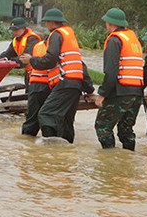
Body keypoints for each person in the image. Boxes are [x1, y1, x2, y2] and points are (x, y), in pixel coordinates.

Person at [19, 8, 93, 143]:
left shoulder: (56, 35)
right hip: (76, 84)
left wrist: (32, 60)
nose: (46, 25)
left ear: (52, 22)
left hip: (64, 82)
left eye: (46, 22)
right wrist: (89, 89)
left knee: (46, 114)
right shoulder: (70, 37)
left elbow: (50, 59)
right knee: (65, 120)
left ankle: (51, 147)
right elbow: (80, 65)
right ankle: (65, 149)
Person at [92, 8, 144, 150]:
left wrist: (102, 94)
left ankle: (109, 159)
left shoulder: (114, 40)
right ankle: (128, 158)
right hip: (137, 93)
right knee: (126, 130)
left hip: (120, 91)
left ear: (110, 24)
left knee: (102, 126)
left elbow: (111, 72)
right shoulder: (133, 39)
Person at [19, 37, 52, 136]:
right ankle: (49, 139)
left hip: (35, 83)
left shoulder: (37, 46)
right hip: (49, 84)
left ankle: (27, 138)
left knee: (32, 117)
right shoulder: (55, 47)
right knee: (48, 116)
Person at [0, 17, 42, 87]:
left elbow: (24, 59)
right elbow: (8, 53)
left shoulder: (32, 39)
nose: (14, 32)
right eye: (13, 30)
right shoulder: (16, 40)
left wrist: (8, 62)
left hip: (37, 74)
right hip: (29, 73)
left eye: (16, 30)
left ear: (23, 28)